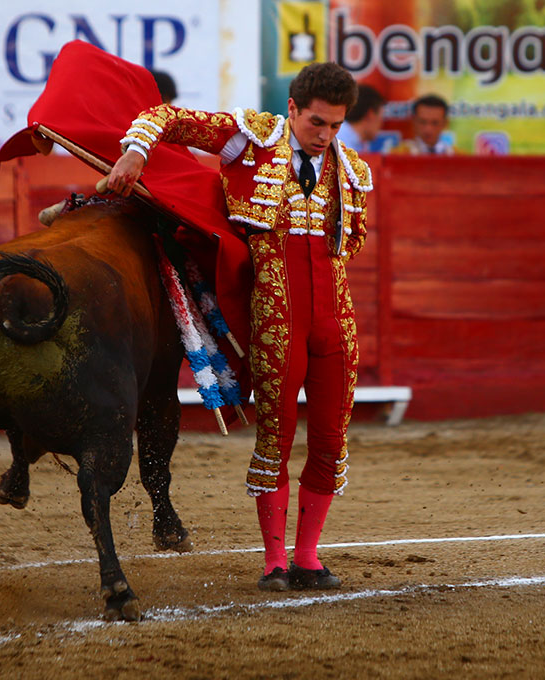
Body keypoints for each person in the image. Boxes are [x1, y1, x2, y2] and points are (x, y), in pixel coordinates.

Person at [107, 62, 370, 593]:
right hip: (275, 317)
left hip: (336, 322)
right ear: (292, 109)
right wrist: (135, 153)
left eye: (336, 126)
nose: (326, 136)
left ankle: (308, 557)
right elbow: (166, 117)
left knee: (330, 439)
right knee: (276, 436)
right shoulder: (250, 139)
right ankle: (275, 562)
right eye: (317, 123)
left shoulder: (353, 170)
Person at [337, 83, 393, 153]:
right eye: (381, 117)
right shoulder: (339, 143)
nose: (382, 124)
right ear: (370, 115)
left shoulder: (356, 142)